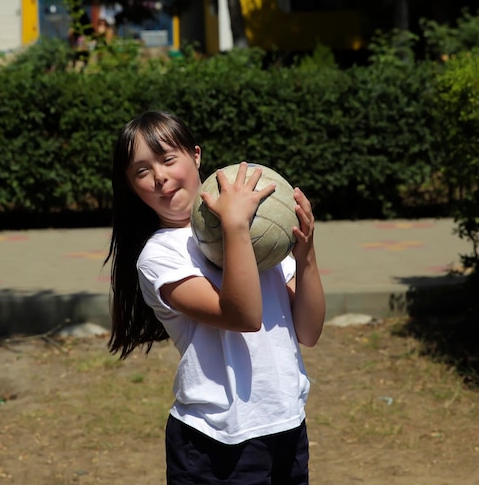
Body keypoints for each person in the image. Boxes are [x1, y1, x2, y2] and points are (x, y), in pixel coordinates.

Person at [106, 109, 326, 484]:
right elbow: (242, 315)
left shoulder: (261, 235)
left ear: (196, 155)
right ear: (131, 186)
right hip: (215, 442)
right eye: (142, 172)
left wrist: (305, 257)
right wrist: (235, 226)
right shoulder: (160, 256)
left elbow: (309, 330)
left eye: (168, 159)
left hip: (286, 424)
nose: (159, 177)